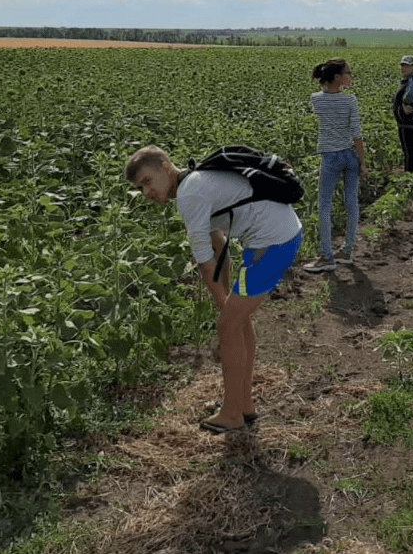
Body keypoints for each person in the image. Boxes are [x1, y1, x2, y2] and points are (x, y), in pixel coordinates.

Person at [125, 145, 303, 434]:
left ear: (165, 166)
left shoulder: (190, 194)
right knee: (235, 321)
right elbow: (220, 248)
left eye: (147, 181)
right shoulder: (196, 182)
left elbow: (206, 264)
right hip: (275, 238)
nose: (146, 192)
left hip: (274, 242)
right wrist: (227, 303)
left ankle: (232, 414)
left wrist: (224, 309)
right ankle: (243, 405)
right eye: (139, 187)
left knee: (229, 326)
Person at [305, 58, 366, 273]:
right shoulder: (351, 102)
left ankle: (327, 256)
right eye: (349, 72)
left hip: (330, 157)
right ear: (339, 77)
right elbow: (357, 135)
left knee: (324, 206)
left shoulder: (316, 100)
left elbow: (323, 92)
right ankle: (347, 251)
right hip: (350, 155)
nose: (352, 75)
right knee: (351, 203)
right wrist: (363, 162)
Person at [393, 55, 413, 172]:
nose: (403, 68)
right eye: (402, 65)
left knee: (409, 150)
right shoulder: (409, 81)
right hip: (407, 121)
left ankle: (409, 176)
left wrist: (402, 108)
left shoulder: (412, 82)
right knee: (410, 149)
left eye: (407, 66)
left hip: (408, 121)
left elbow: (409, 99)